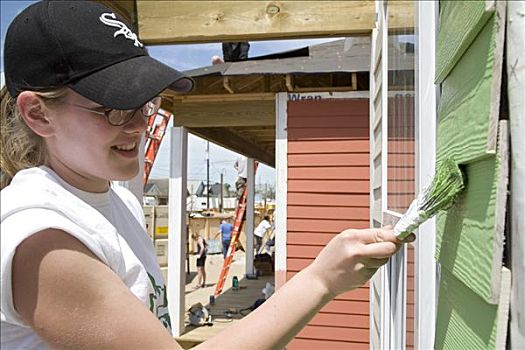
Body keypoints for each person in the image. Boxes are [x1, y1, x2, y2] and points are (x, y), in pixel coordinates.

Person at [0, 2, 413, 349]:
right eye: (116, 107)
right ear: (37, 113)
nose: (140, 125)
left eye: (146, 103)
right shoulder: (42, 239)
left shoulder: (117, 199)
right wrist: (321, 280)